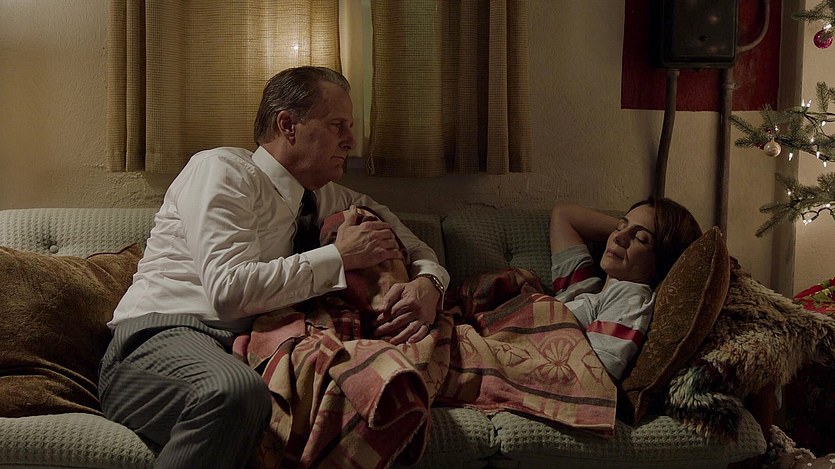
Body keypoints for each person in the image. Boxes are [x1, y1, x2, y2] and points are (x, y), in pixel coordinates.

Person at [98, 66, 450, 468]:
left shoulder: (327, 198)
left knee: (359, 396)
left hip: (247, 349)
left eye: (350, 128)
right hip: (157, 341)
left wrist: (430, 284)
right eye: (337, 126)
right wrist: (339, 257)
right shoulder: (222, 170)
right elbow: (229, 292)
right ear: (288, 125)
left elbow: (412, 243)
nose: (351, 142)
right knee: (235, 394)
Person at [548, 196, 702, 380]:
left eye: (640, 238)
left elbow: (592, 378)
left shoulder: (630, 295)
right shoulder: (585, 288)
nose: (618, 237)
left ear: (661, 261)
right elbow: (563, 215)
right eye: (620, 227)